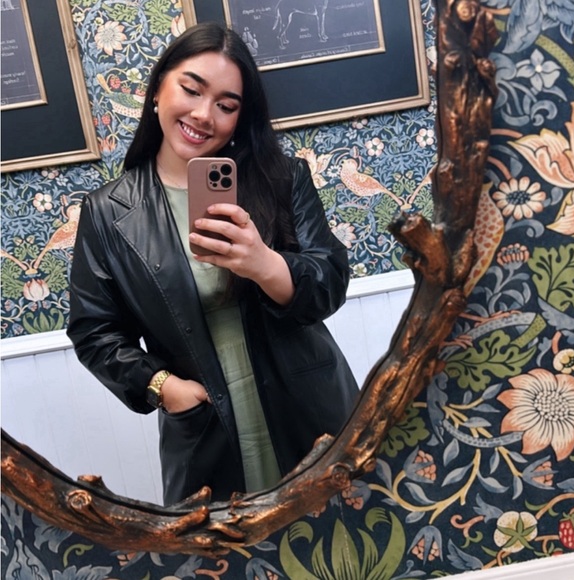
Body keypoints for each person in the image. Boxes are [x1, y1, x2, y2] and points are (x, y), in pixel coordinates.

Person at [67, 22, 359, 505]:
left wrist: (263, 263)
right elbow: (94, 332)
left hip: (308, 409)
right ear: (157, 90)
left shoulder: (282, 178)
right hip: (204, 431)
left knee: (332, 534)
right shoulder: (108, 214)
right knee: (224, 545)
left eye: (227, 105)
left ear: (241, 117)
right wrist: (163, 387)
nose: (204, 115)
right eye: (191, 90)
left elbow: (329, 280)